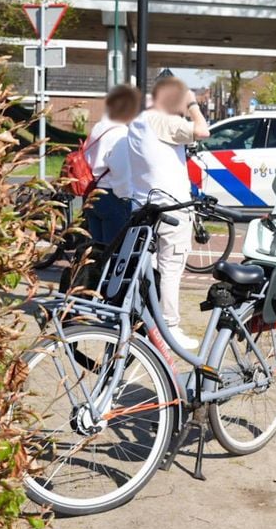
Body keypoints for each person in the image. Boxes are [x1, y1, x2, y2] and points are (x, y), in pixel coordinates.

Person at [126, 74, 211, 351]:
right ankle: (169, 329)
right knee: (171, 269)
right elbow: (202, 131)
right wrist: (193, 104)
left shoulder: (137, 121)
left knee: (147, 269)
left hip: (143, 207)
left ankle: (145, 322)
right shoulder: (164, 120)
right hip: (172, 208)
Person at [82, 85, 142, 246]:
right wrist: (126, 196)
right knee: (113, 250)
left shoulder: (98, 128)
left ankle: (93, 271)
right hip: (111, 195)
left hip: (91, 191)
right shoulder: (120, 133)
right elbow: (121, 169)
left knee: (96, 249)